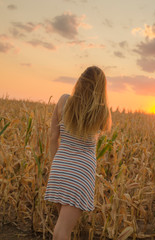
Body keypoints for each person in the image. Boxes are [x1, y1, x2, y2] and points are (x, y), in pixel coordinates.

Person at [44, 66, 112, 240]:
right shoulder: (102, 111)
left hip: (59, 168)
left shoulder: (63, 101)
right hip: (81, 172)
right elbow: (104, 128)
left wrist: (55, 166)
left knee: (62, 226)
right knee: (62, 232)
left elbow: (53, 136)